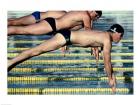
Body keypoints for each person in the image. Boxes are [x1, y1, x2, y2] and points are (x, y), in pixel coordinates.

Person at [8, 24, 124, 93]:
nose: (121, 39)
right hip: (65, 37)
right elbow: (107, 62)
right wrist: (110, 79)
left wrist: (112, 75)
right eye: (121, 36)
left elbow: (108, 64)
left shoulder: (103, 34)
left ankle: (10, 64)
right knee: (35, 51)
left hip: (66, 35)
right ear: (117, 33)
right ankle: (10, 62)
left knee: (35, 52)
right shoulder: (107, 40)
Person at [8, 11, 102, 35]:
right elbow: (88, 31)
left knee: (20, 28)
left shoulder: (77, 19)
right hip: (39, 18)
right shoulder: (83, 15)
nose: (95, 19)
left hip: (49, 25)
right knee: (18, 26)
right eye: (96, 17)